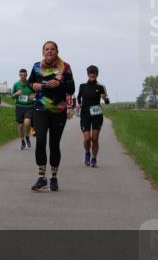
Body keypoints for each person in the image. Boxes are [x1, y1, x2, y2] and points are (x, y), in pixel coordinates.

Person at [28, 41, 75, 192]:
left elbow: (71, 88)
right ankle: (42, 177)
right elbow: (29, 83)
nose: (49, 51)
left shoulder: (65, 67)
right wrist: (33, 86)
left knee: (54, 144)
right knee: (40, 141)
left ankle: (54, 177)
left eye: (52, 49)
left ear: (57, 51)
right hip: (40, 108)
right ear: (43, 52)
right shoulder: (37, 66)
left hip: (58, 109)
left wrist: (59, 84)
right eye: (47, 49)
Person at [76, 65, 111, 167]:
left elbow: (107, 102)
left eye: (94, 73)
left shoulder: (101, 87)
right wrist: (79, 104)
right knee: (87, 138)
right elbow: (78, 97)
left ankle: (94, 158)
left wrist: (105, 98)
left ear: (97, 74)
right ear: (88, 74)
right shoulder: (82, 86)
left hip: (97, 114)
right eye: (90, 73)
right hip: (85, 114)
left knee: (95, 139)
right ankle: (87, 153)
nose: (92, 75)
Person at [11, 68, 34, 150]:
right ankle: (22, 141)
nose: (23, 77)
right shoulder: (16, 85)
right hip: (19, 107)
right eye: (21, 75)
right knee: (20, 126)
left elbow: (36, 93)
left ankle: (27, 136)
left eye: (24, 75)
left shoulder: (30, 84)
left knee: (27, 123)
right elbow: (12, 96)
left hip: (29, 106)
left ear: (26, 75)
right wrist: (16, 94)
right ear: (19, 75)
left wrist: (33, 96)